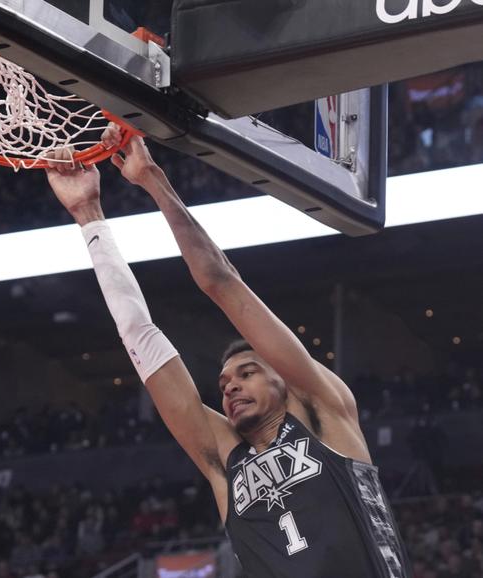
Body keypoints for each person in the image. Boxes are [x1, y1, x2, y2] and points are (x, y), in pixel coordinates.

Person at [44, 127, 410, 578]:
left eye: (247, 372)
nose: (231, 385)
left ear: (283, 378)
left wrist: (153, 179)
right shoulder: (223, 464)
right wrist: (89, 216)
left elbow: (220, 280)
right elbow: (140, 335)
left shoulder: (323, 413)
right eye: (224, 384)